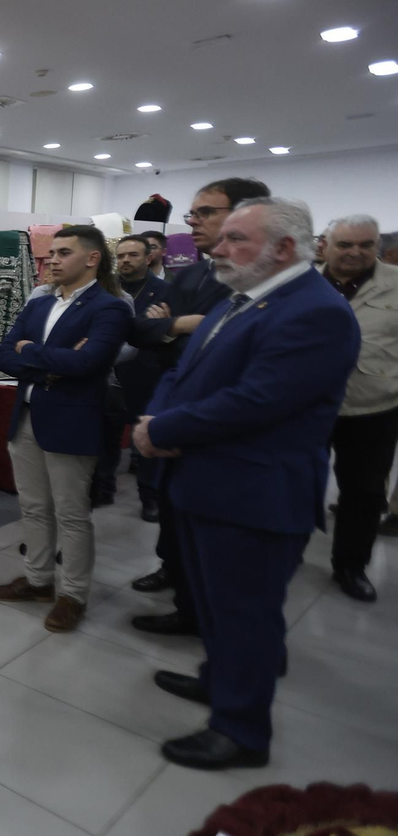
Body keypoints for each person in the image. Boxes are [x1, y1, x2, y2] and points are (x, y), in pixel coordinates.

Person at [137, 197, 359, 770]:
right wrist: (156, 419)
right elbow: (182, 372)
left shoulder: (317, 311)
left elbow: (258, 401)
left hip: (254, 494)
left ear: (283, 248)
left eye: (235, 238)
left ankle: (241, 731)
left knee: (246, 615)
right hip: (205, 480)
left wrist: (164, 427)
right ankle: (220, 682)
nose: (215, 248)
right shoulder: (241, 300)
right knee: (217, 608)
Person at [126, 177, 270, 631]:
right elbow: (144, 334)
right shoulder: (190, 274)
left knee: (217, 542)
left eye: (205, 212)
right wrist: (181, 326)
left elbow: (229, 360)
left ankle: (204, 618)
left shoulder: (260, 285)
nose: (193, 222)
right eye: (192, 213)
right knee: (174, 513)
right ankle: (177, 582)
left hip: (220, 432)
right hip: (170, 412)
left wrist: (174, 325)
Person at [0, 226, 132, 632]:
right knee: (33, 507)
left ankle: (73, 594)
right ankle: (37, 580)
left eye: (63, 252)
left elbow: (89, 364)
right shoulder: (38, 304)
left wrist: (31, 352)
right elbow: (3, 352)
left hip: (72, 418)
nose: (51, 259)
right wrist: (53, 360)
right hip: (28, 415)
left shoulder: (110, 307)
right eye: (51, 252)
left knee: (71, 513)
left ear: (92, 258)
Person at [322, 215, 394, 602]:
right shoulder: (302, 283)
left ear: (377, 245)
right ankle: (286, 547)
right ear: (326, 245)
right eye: (345, 244)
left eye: (365, 244)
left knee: (365, 493)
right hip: (307, 405)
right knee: (296, 482)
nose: (355, 252)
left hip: (374, 406)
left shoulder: (396, 285)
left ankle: (351, 565)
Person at [111, 235, 169, 521]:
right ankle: (101, 485)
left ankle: (150, 496)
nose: (125, 261)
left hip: (146, 373)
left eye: (133, 255)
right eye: (121, 255)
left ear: (148, 258)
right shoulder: (105, 287)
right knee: (105, 434)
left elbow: (166, 333)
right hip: (107, 371)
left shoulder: (165, 291)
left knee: (146, 438)